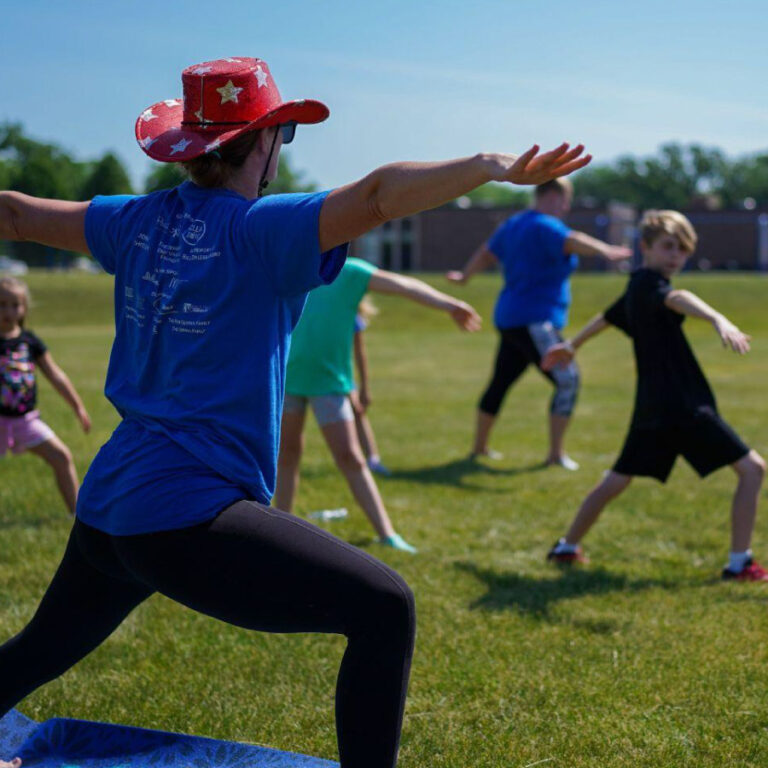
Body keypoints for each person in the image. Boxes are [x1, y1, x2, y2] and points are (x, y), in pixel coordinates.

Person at [0, 55, 590, 768]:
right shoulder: (261, 230)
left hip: (109, 506)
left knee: (35, 652)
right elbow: (375, 197)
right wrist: (488, 163)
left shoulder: (133, 220)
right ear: (266, 143)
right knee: (384, 608)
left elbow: (13, 213)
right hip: (183, 514)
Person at [543, 210, 767, 581]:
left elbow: (608, 316)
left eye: (682, 249)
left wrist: (571, 345)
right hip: (683, 405)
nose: (675, 256)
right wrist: (717, 319)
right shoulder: (652, 286)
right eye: (667, 246)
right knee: (753, 469)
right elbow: (678, 296)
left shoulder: (637, 286)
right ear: (644, 247)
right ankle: (739, 563)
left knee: (617, 479)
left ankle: (566, 547)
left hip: (654, 408)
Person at [275, 259, 481, 553]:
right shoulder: (290, 262)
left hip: (330, 384)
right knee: (287, 455)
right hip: (286, 378)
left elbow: (405, 285)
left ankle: (386, 533)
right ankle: (282, 527)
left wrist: (451, 304)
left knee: (351, 458)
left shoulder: (350, 272)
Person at [447, 178, 632, 468]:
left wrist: (464, 276)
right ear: (552, 195)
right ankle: (556, 455)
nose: (567, 207)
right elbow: (573, 240)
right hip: (536, 320)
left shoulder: (512, 225)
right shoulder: (546, 225)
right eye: (565, 199)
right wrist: (604, 250)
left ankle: (479, 448)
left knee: (500, 382)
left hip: (509, 318)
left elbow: (486, 253)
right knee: (568, 380)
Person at [0, 276, 91, 514]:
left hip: (25, 421)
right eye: (2, 304)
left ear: (24, 308)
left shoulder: (29, 342)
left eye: (15, 304)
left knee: (61, 457)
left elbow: (56, 376)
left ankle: (79, 516)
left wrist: (78, 406)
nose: (8, 311)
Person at [350, 299, 390, 476]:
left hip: (337, 375)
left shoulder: (349, 313)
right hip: (301, 373)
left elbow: (360, 352)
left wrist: (364, 387)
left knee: (357, 412)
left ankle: (372, 459)